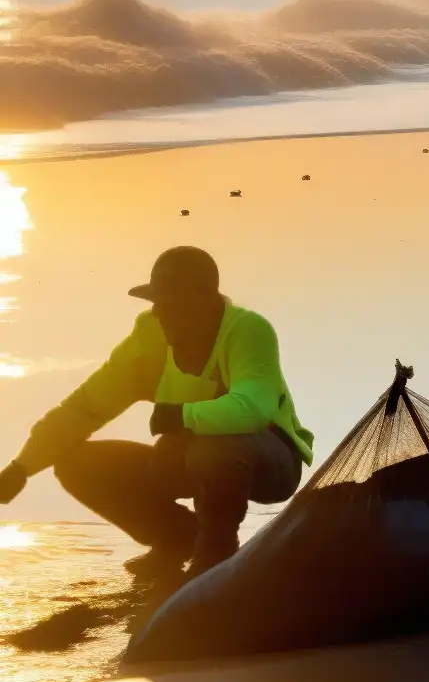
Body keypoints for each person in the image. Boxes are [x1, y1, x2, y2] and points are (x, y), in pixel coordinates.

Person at [0, 247, 311, 584]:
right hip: (186, 457)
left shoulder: (249, 330)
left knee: (215, 446)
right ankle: (176, 539)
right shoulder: (149, 338)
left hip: (271, 461)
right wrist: (21, 467)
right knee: (74, 463)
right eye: (159, 302)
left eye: (175, 301)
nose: (164, 312)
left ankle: (217, 552)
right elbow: (83, 409)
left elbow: (253, 408)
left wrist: (182, 416)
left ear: (207, 297)